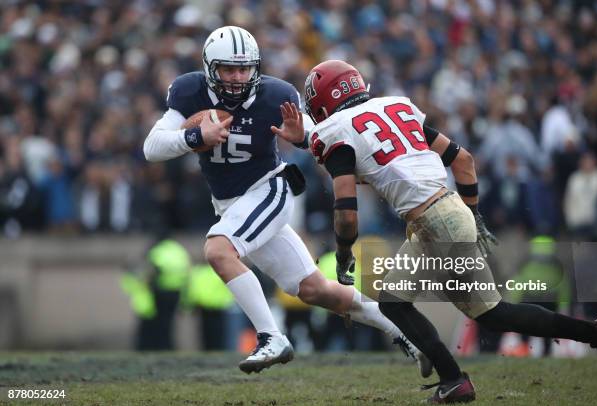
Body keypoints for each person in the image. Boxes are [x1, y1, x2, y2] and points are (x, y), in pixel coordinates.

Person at [301, 59, 597, 404]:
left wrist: (343, 254)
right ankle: (594, 333)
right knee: (411, 303)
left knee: (453, 309)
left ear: (322, 105)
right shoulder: (394, 107)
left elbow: (346, 216)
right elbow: (463, 161)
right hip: (446, 210)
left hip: (433, 223)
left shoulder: (335, 132)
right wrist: (473, 215)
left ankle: (454, 378)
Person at [143, 26, 431, 375]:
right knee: (314, 290)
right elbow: (152, 147)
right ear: (209, 68)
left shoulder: (275, 95)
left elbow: (323, 139)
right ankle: (407, 334)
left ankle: (271, 337)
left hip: (268, 190)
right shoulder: (190, 90)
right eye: (227, 69)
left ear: (256, 67)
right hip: (231, 204)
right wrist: (195, 136)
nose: (236, 78)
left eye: (243, 68)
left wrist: (303, 137)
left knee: (218, 250)